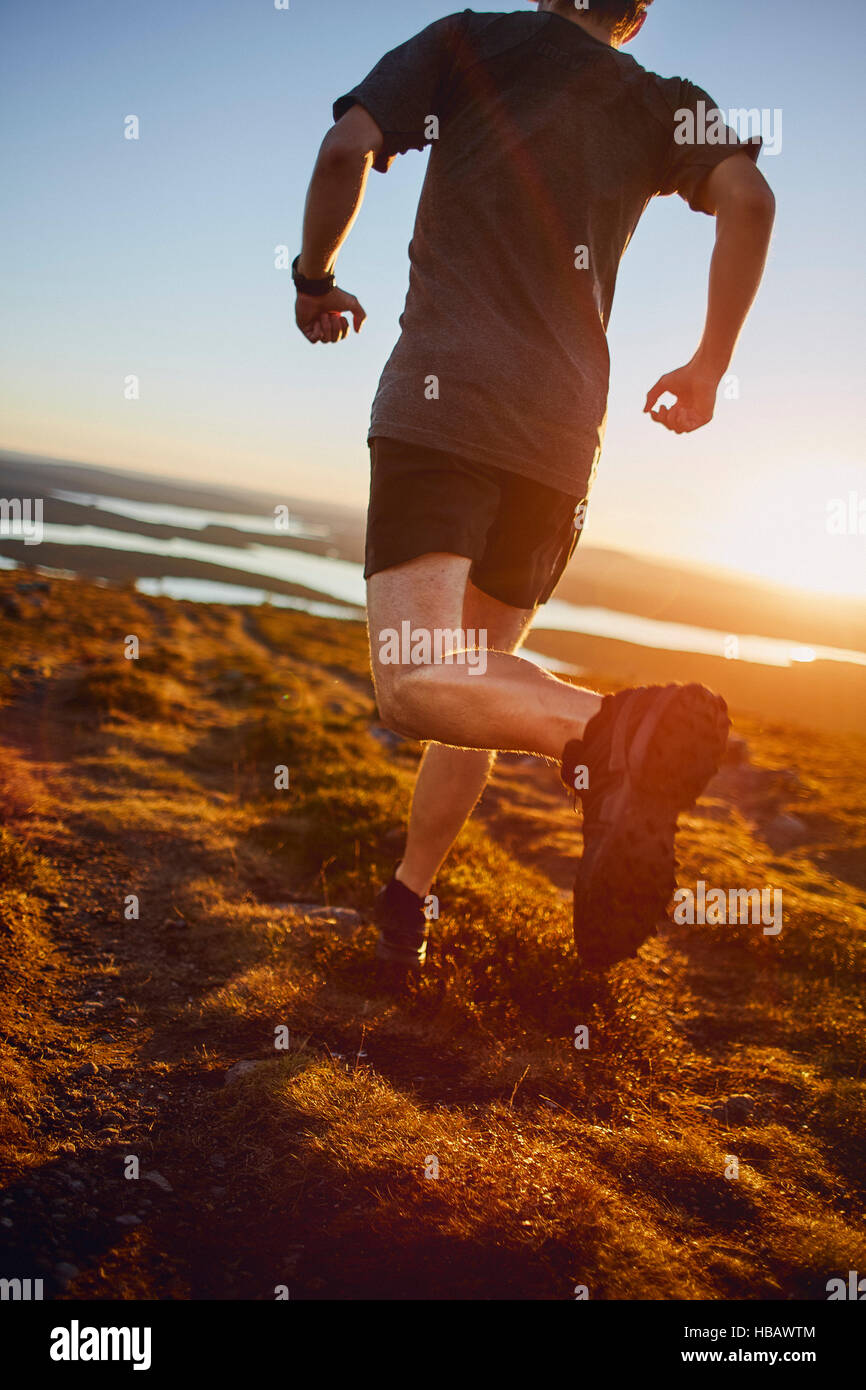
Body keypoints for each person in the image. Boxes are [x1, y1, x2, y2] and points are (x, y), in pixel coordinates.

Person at [292, 1, 775, 972]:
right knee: (481, 677)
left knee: (418, 679)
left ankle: (608, 732)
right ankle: (404, 901)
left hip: (446, 403)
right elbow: (751, 203)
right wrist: (708, 367)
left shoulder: (471, 41)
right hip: (559, 436)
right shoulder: (661, 102)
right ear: (633, 16)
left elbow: (346, 148)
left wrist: (312, 277)